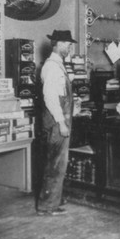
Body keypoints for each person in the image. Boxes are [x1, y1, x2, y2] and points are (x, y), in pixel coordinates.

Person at [36, 29, 76, 216]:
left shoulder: (58, 64)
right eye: (68, 45)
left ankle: (53, 201)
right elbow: (50, 98)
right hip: (55, 122)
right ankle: (47, 206)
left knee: (59, 164)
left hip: (60, 120)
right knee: (54, 164)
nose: (69, 48)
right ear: (59, 44)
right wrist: (61, 122)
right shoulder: (52, 67)